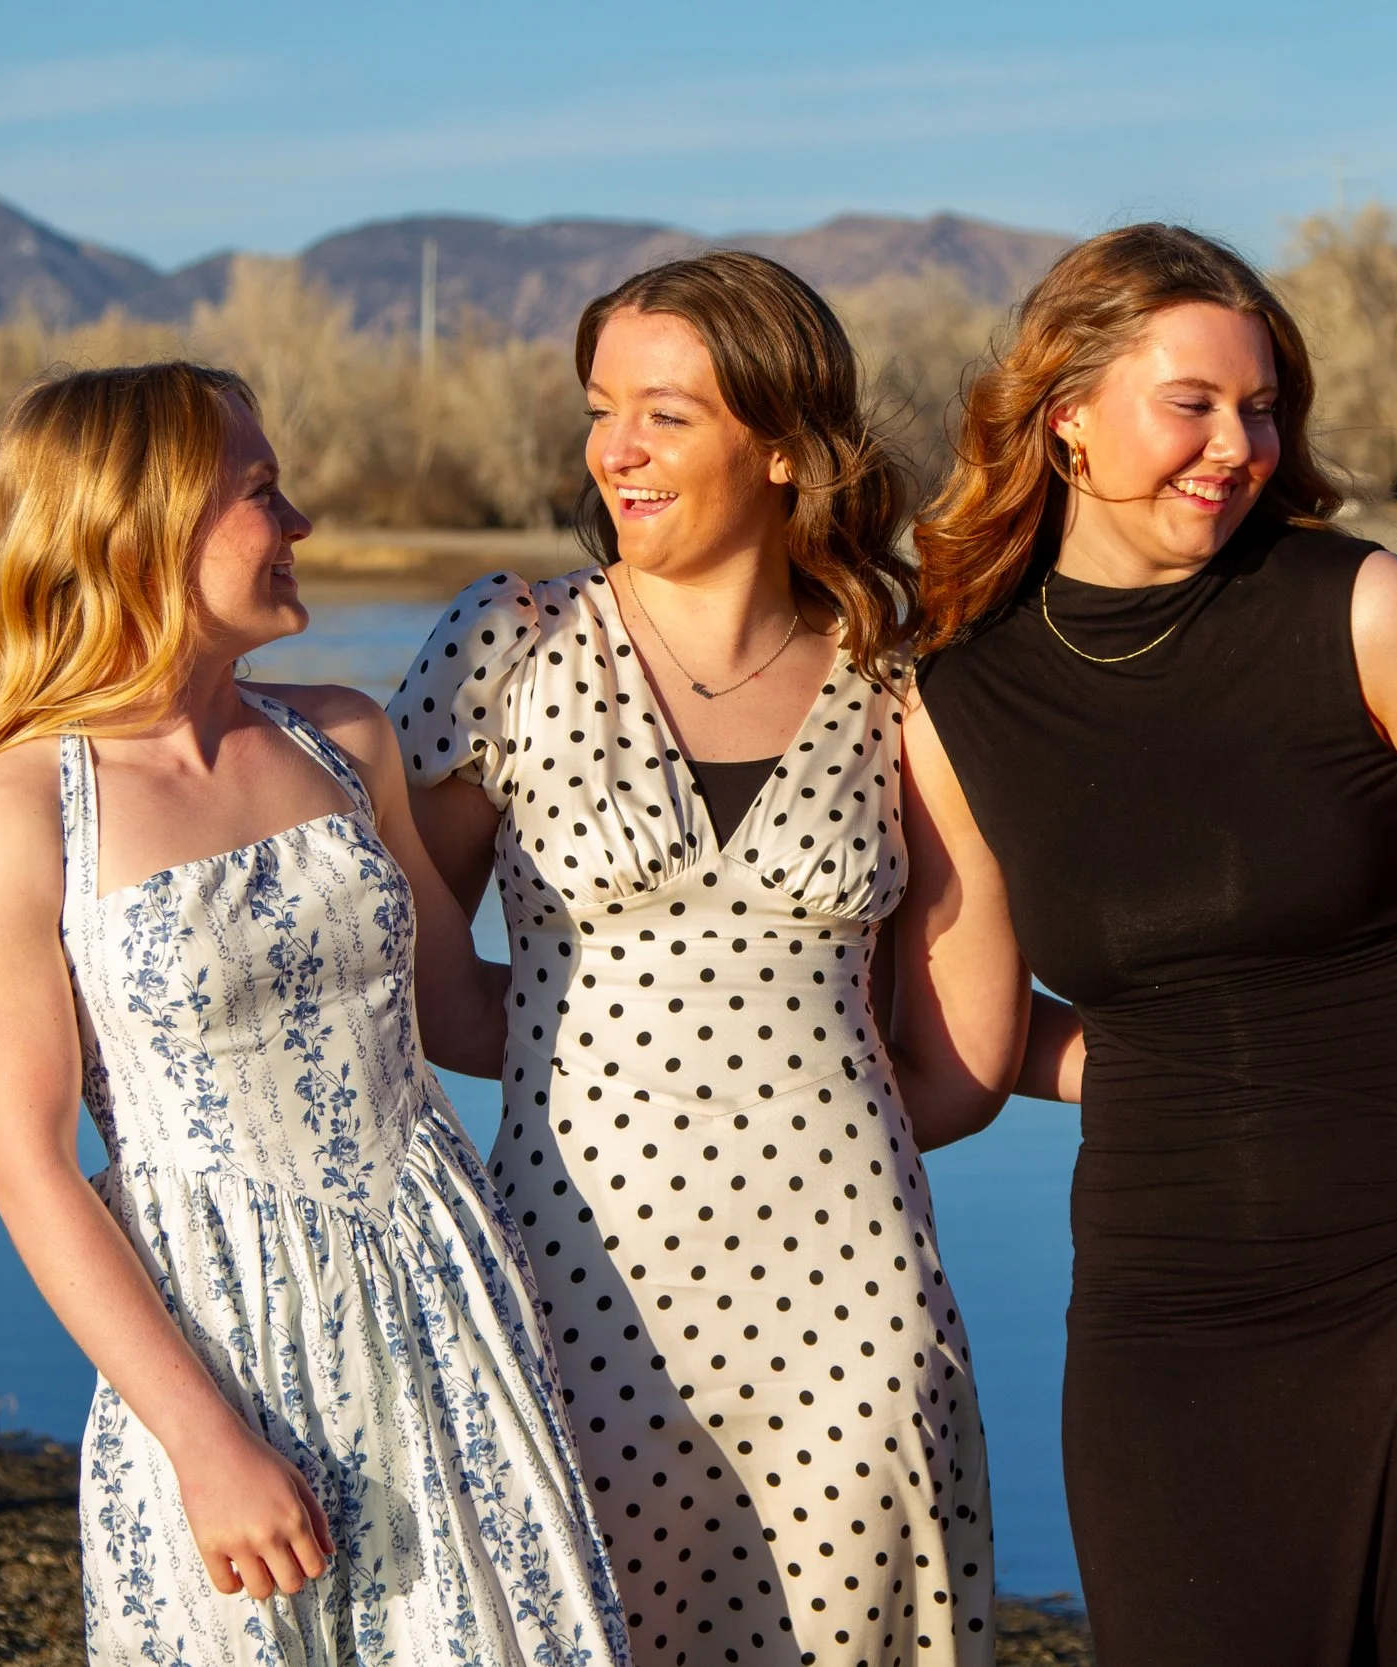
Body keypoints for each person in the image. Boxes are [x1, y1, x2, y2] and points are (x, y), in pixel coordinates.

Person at [890, 223, 1397, 1666]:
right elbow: (984, 1034)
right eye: (1192, 401)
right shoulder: (959, 692)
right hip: (1165, 1279)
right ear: (1066, 413)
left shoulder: (1367, 611)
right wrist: (1168, 1071)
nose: (1237, 444)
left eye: (1260, 408)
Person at [0, 363, 627, 1667]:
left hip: (438, 1292)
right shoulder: (27, 816)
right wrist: (203, 1438)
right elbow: (30, 1171)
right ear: (141, 526)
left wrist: (720, 1011)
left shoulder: (343, 742)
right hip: (215, 1335)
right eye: (261, 492)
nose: (299, 522)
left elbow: (461, 1012)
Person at [392, 251, 994, 1667]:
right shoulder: (509, 645)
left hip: (849, 1307)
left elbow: (957, 1066)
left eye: (666, 411)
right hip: (573, 1285)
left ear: (783, 447)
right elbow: (417, 986)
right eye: (604, 407)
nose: (616, 447)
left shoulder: (904, 677)